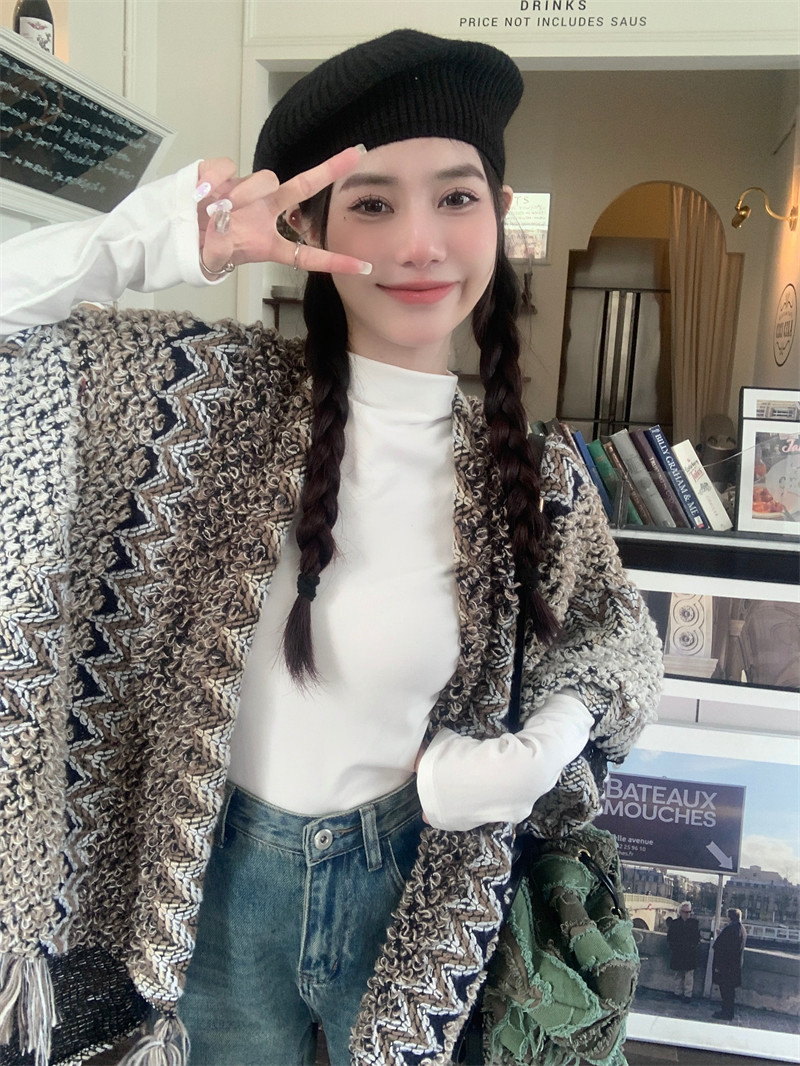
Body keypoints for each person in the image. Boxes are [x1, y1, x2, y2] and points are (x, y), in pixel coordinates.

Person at [0, 28, 662, 1066]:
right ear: (306, 226)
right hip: (213, 894)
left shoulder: (533, 479)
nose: (419, 244)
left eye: (455, 197)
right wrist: (155, 242)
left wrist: (540, 752)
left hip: (416, 889)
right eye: (372, 204)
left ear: (497, 213)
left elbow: (613, 638)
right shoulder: (209, 404)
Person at [712, 908, 747, 1021]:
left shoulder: (729, 928)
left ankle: (726, 1012)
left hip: (726, 966)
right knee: (730, 991)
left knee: (725, 990)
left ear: (729, 917)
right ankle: (729, 1012)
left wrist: (720, 935)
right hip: (736, 965)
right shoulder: (742, 929)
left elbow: (719, 946)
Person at [666, 901, 700, 1003]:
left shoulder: (694, 923)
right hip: (678, 952)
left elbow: (697, 938)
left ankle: (687, 995)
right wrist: (674, 947)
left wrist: (692, 947)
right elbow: (670, 937)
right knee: (678, 974)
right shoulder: (675, 923)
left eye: (689, 912)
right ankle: (677, 992)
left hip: (690, 953)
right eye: (686, 912)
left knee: (689, 976)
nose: (688, 914)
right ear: (680, 912)